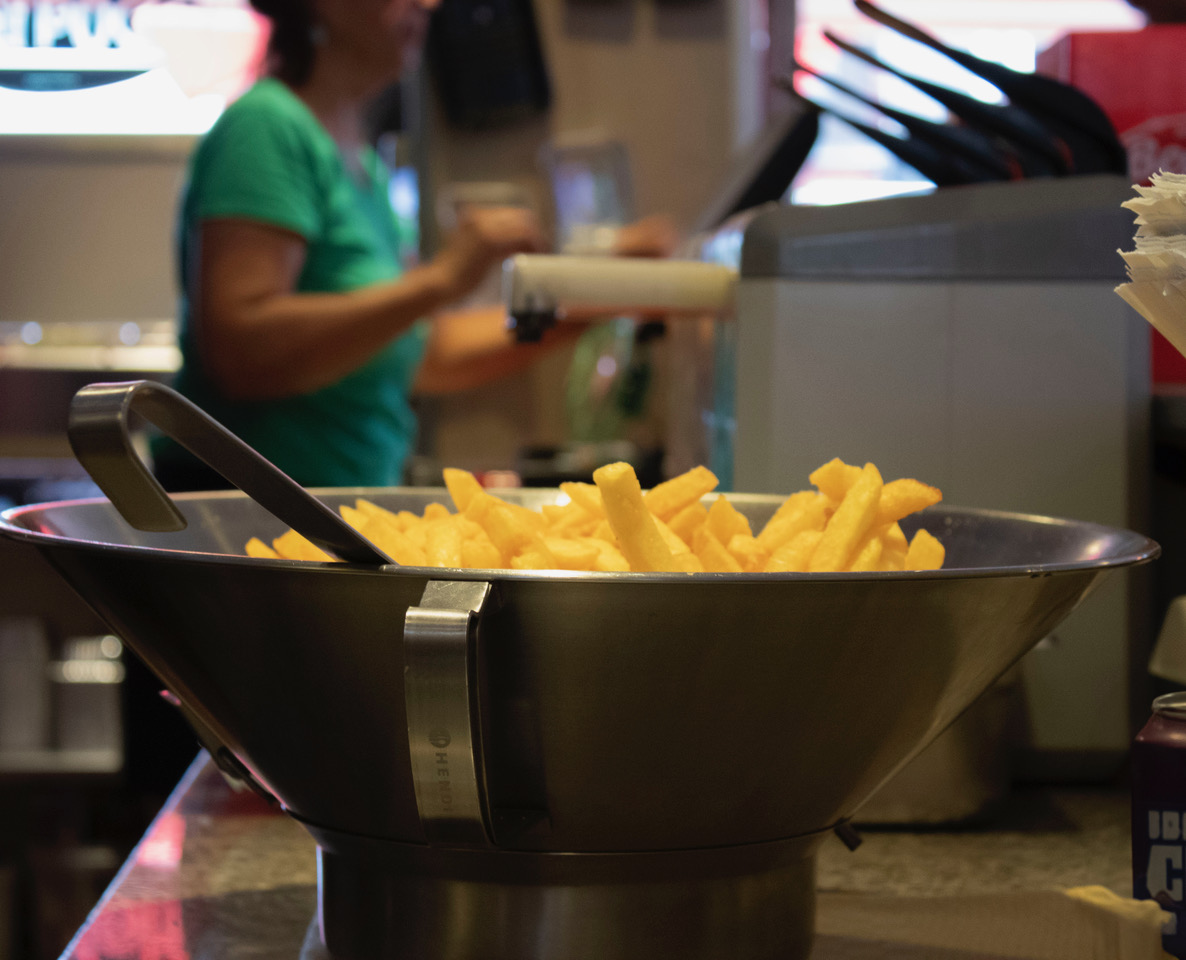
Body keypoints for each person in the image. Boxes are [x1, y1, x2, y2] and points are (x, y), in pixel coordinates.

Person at [152, 0, 676, 492]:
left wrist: (600, 292)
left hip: (328, 506)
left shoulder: (360, 158)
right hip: (253, 509)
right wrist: (442, 279)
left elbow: (425, 352)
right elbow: (240, 355)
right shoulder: (266, 127)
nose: (429, 5)